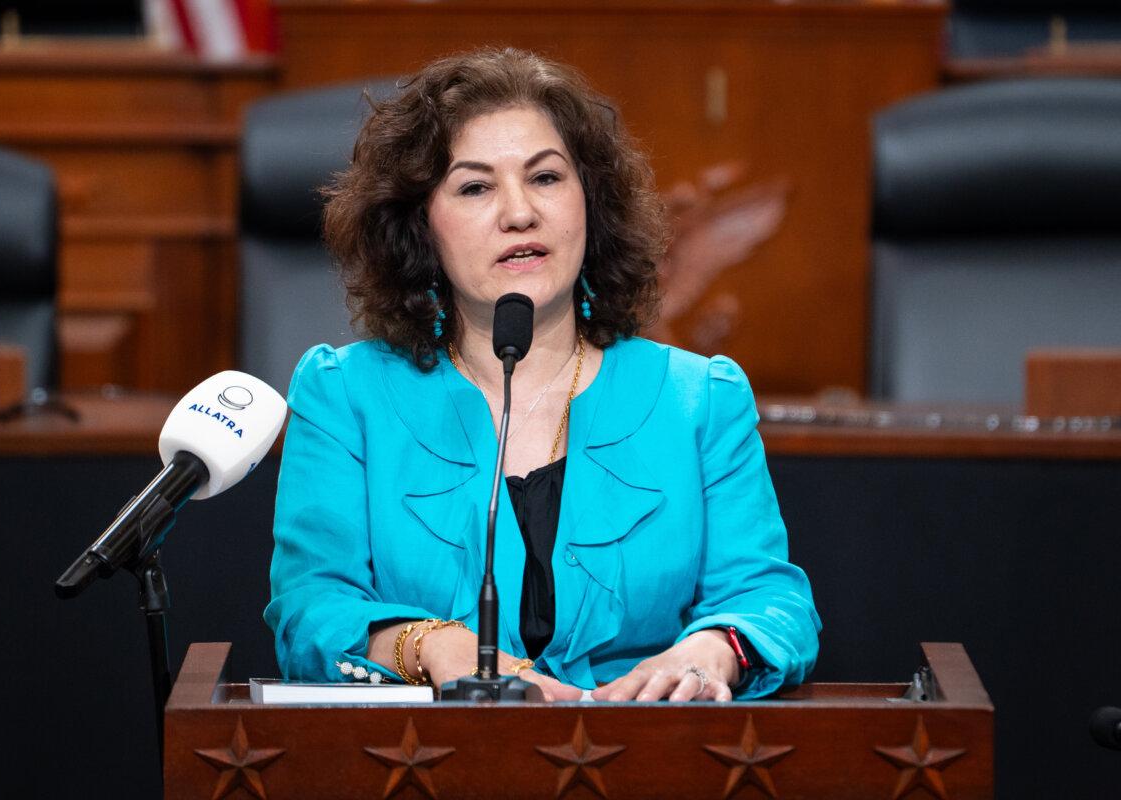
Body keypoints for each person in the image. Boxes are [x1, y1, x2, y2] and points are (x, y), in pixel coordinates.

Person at [265, 48, 820, 702]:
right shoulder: (344, 396)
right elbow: (310, 610)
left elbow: (770, 599)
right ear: (420, 227)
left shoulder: (701, 399)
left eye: (547, 178)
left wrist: (713, 649)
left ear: (591, 201)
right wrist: (433, 645)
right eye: (475, 187)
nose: (519, 212)